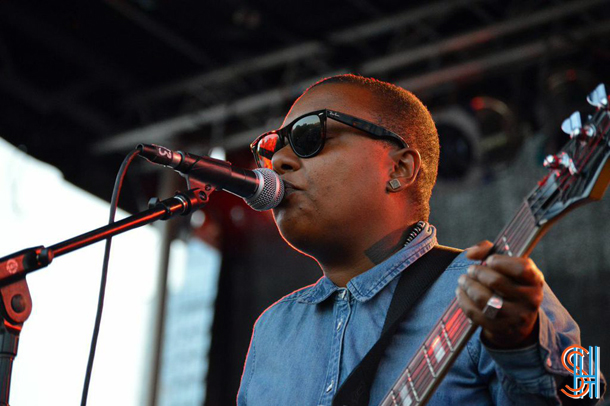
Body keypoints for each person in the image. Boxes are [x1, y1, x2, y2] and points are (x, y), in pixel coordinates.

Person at [237, 74, 605, 405]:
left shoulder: (487, 284)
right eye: (270, 149)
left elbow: (591, 388)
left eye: (307, 136)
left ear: (399, 169)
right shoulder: (273, 329)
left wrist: (522, 341)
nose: (278, 162)